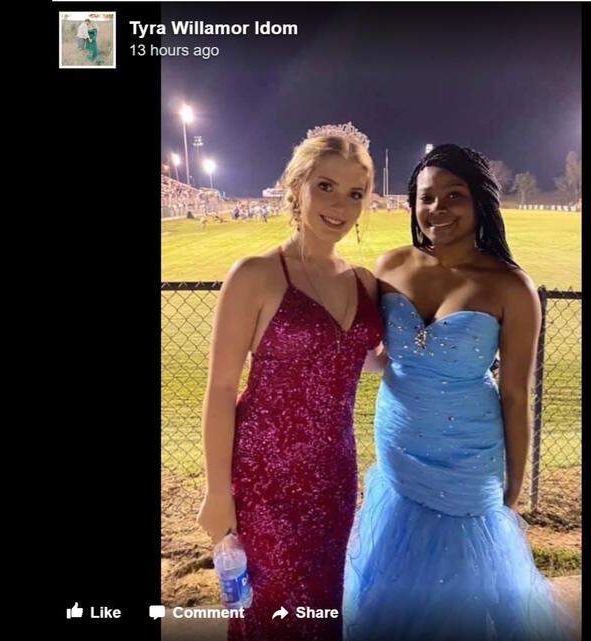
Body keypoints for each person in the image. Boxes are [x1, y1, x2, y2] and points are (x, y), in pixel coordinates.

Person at [344, 145, 574, 641]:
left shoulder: (512, 286)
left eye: (455, 195)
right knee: (392, 583)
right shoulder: (390, 266)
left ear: (480, 203)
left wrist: (511, 488)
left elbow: (515, 395)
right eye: (427, 197)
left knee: (461, 591)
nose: (439, 209)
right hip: (399, 445)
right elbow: (374, 353)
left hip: (469, 457)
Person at [198, 123, 383, 641]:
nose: (340, 206)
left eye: (355, 193)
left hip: (335, 478)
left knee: (323, 609)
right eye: (325, 186)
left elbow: (368, 360)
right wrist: (218, 492)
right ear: (296, 185)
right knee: (269, 616)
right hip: (264, 482)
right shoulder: (255, 275)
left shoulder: (365, 282)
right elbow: (219, 390)